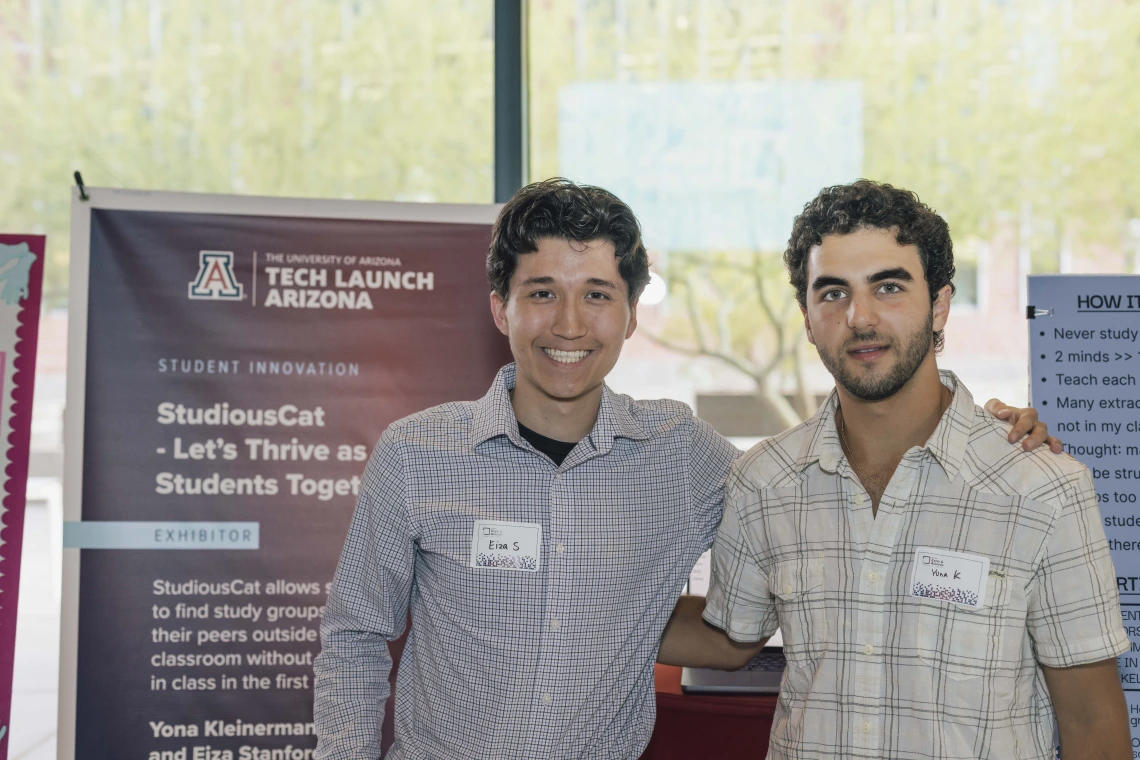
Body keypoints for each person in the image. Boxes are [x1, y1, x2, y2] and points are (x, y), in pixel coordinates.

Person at [314, 178, 1056, 760]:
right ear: (501, 309)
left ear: (631, 314)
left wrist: (983, 436)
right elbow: (353, 638)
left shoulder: (683, 454)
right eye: (542, 294)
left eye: (597, 296)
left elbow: (813, 488)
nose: (570, 324)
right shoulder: (416, 456)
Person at [658, 179, 1129, 759]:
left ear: (940, 305)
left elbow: (1092, 721)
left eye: (888, 286)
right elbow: (730, 634)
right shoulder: (765, 481)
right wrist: (564, 602)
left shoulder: (1042, 489)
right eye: (832, 293)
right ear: (806, 317)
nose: (860, 317)